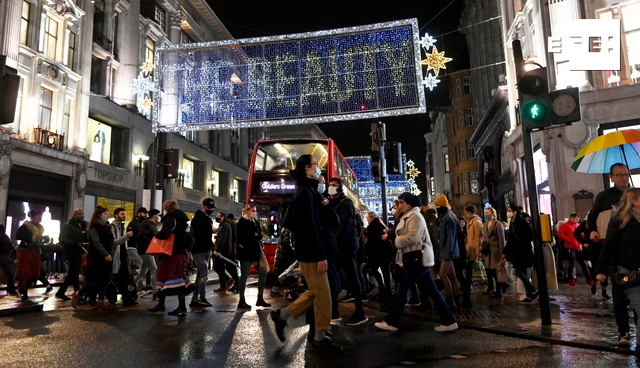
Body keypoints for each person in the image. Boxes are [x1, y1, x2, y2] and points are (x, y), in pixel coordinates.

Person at [270, 154, 343, 354]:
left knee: (321, 291)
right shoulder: (304, 193)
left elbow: (333, 223)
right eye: (315, 165)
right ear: (306, 169)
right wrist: (319, 255)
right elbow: (309, 227)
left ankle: (283, 316)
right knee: (323, 294)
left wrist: (324, 199)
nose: (319, 167)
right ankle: (319, 335)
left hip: (320, 251)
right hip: (313, 253)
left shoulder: (313, 193)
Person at [375, 192, 457, 332]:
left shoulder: (415, 217)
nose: (399, 205)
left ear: (410, 204)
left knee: (402, 289)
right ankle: (449, 320)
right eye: (398, 202)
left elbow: (412, 238)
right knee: (432, 291)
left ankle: (392, 321)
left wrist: (395, 240)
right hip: (415, 258)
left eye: (402, 202)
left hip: (416, 258)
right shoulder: (408, 216)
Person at [588, 162, 632, 346]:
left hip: (635, 251)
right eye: (619, 175)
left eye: (626, 174)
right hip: (615, 251)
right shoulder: (604, 197)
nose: (623, 177)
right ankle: (623, 332)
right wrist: (592, 230)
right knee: (620, 294)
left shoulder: (635, 194)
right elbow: (593, 217)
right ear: (611, 177)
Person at [596, 188, 640, 349]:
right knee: (630, 304)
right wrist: (600, 270)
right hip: (626, 269)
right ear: (633, 201)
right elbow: (608, 246)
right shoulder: (620, 220)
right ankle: (625, 333)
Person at [328, 177, 368, 326]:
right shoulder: (335, 203)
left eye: (333, 186)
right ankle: (333, 311)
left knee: (352, 276)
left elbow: (345, 226)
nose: (330, 188)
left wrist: (333, 242)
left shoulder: (346, 203)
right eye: (329, 185)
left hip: (346, 246)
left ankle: (360, 312)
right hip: (340, 245)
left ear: (339, 188)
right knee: (333, 277)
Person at [148, 200, 192, 316]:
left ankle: (172, 305)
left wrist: (156, 235)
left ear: (167, 209)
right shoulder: (183, 219)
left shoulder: (170, 218)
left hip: (170, 251)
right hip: (180, 251)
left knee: (166, 277)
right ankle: (177, 305)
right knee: (177, 277)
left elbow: (165, 233)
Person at [72, 207, 114, 310]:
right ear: (99, 215)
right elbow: (96, 242)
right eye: (105, 214)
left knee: (105, 279)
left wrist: (125, 238)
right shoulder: (94, 227)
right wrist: (105, 254)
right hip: (97, 258)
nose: (107, 215)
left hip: (107, 257)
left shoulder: (107, 227)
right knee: (93, 280)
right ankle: (78, 294)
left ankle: (101, 301)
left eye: (107, 214)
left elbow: (112, 242)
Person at [236, 203, 271, 309]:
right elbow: (246, 237)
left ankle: (260, 298)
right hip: (246, 253)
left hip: (256, 252)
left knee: (263, 272)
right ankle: (241, 300)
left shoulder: (255, 222)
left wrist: (255, 235)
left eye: (255, 211)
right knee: (244, 276)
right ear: (247, 212)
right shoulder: (242, 222)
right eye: (253, 211)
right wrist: (254, 236)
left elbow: (259, 234)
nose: (255, 213)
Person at [502, 204, 538, 303]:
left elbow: (529, 236)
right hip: (517, 251)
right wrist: (505, 252)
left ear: (515, 212)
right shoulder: (512, 223)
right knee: (522, 272)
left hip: (523, 251)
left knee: (517, 272)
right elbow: (510, 239)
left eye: (509, 210)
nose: (508, 212)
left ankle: (533, 289)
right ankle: (530, 294)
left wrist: (520, 244)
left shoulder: (521, 222)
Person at [15, 210, 50, 302]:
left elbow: (39, 240)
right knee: (26, 273)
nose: (39, 220)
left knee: (35, 273)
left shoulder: (40, 227)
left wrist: (44, 239)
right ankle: (24, 295)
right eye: (38, 219)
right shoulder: (25, 226)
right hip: (25, 251)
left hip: (35, 251)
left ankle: (21, 289)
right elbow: (18, 235)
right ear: (32, 218)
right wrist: (31, 237)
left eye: (40, 219)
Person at [434, 195, 461, 311]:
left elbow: (450, 237)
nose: (436, 208)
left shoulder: (448, 219)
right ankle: (456, 301)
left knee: (443, 274)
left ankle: (450, 300)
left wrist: (447, 254)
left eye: (437, 206)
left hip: (447, 252)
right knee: (452, 276)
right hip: (447, 251)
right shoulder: (446, 217)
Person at [189, 198, 216, 309]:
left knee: (200, 275)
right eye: (209, 208)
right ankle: (201, 298)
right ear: (203, 207)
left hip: (205, 249)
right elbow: (200, 234)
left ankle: (195, 299)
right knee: (204, 274)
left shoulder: (206, 218)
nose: (210, 210)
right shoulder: (198, 219)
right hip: (199, 250)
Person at [574, 214, 610, 299]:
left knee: (604, 269)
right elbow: (576, 233)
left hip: (602, 247)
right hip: (592, 249)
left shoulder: (602, 221)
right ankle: (594, 283)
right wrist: (584, 243)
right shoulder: (586, 223)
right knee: (595, 268)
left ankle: (603, 290)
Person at [56, 209, 88, 300]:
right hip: (71, 252)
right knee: (74, 271)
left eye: (82, 214)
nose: (82, 215)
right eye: (79, 214)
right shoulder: (67, 226)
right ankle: (76, 292)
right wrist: (75, 243)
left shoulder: (82, 226)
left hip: (79, 252)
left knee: (74, 272)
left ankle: (74, 292)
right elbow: (62, 239)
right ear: (74, 215)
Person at [110, 208, 136, 306]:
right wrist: (126, 237)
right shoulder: (112, 227)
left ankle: (127, 299)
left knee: (125, 277)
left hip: (123, 254)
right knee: (117, 276)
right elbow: (113, 243)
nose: (124, 215)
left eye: (125, 214)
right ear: (116, 215)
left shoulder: (123, 226)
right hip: (117, 255)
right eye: (122, 214)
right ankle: (114, 297)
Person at [558, 212, 591, 288]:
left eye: (578, 219)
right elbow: (560, 234)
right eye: (576, 219)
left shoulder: (577, 225)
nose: (577, 220)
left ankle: (588, 279)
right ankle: (571, 280)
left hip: (578, 247)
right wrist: (569, 240)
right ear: (572, 218)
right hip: (570, 247)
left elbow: (580, 234)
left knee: (583, 263)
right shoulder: (565, 225)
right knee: (572, 264)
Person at [365, 211, 391, 301]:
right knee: (385, 271)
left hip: (376, 253)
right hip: (384, 253)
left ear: (372, 217)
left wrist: (367, 250)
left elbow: (373, 241)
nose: (367, 219)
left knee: (373, 269)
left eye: (368, 218)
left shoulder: (373, 227)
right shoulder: (380, 224)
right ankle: (386, 290)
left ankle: (382, 288)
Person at [136, 209, 160, 299]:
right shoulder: (147, 224)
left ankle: (131, 286)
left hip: (147, 250)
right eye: (158, 215)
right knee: (154, 270)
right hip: (146, 250)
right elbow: (141, 236)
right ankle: (156, 292)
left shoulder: (152, 224)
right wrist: (152, 242)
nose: (159, 217)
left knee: (143, 272)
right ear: (154, 215)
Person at [463, 204, 484, 308]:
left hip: (473, 250)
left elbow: (479, 238)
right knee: (468, 270)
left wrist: (478, 251)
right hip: (469, 249)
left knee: (470, 270)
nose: (466, 215)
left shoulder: (476, 223)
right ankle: (467, 287)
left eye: (467, 213)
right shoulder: (470, 222)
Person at [482, 207, 506, 297]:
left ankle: (498, 290)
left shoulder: (498, 224)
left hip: (495, 250)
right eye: (485, 212)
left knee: (496, 271)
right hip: (487, 250)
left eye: (488, 212)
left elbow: (501, 239)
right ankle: (491, 287)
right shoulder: (485, 224)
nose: (486, 214)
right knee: (488, 270)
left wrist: (502, 252)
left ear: (492, 213)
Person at [213, 212, 238, 292]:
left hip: (223, 251)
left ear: (223, 217)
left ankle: (227, 280)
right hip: (225, 250)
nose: (217, 217)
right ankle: (223, 285)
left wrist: (217, 250)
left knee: (217, 267)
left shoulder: (224, 226)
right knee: (220, 268)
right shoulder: (224, 225)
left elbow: (222, 239)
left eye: (218, 216)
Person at [0, 224, 17, 296]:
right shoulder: (6, 237)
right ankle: (11, 289)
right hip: (7, 257)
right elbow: (11, 247)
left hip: (0, 256)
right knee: (9, 274)